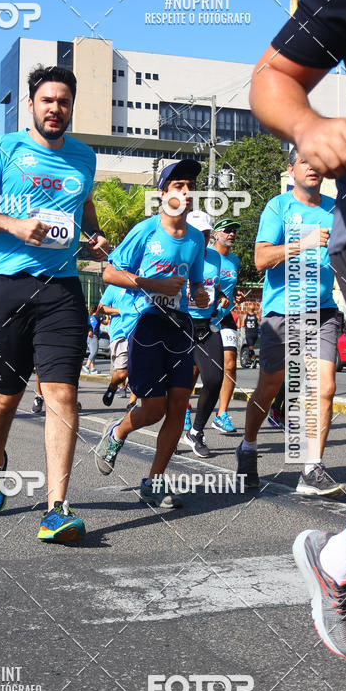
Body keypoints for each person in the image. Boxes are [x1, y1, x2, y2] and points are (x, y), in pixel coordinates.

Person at [249, 0, 346, 657]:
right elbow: (273, 77)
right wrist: (309, 125)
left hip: (328, 293)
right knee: (294, 383)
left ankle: (336, 554)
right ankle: (277, 453)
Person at [0, 63, 108, 542]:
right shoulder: (5, 149)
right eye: (47, 101)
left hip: (61, 290)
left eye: (63, 101)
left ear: (71, 107)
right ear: (32, 106)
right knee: (5, 393)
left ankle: (56, 507)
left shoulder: (84, 157)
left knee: (61, 392)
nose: (55, 108)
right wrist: (12, 224)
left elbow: (83, 210)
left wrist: (93, 237)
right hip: (8, 285)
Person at [94, 160, 208, 507]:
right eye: (179, 185)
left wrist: (199, 293)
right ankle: (117, 432)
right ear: (163, 193)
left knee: (177, 407)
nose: (186, 192)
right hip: (146, 324)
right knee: (154, 409)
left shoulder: (195, 241)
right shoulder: (145, 231)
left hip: (180, 326)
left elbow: (197, 282)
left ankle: (154, 481)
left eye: (190, 186)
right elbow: (110, 274)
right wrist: (152, 283)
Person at [235, 148, 344, 498]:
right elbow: (261, 257)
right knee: (269, 387)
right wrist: (304, 242)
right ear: (292, 168)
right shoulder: (278, 207)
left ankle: (312, 469)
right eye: (305, 161)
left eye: (319, 161)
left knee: (324, 387)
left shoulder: (335, 209)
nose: (313, 167)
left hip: (323, 312)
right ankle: (248, 446)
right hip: (282, 313)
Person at [182, 211, 229, 458]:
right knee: (175, 386)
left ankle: (196, 432)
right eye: (198, 232)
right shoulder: (178, 255)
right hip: (179, 324)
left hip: (205, 327)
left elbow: (215, 286)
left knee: (214, 379)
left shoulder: (214, 258)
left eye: (206, 233)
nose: (202, 237)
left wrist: (221, 297)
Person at [210, 219, 241, 434]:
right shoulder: (206, 256)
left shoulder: (235, 260)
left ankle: (221, 414)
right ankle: (184, 408)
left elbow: (231, 285)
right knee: (195, 368)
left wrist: (235, 293)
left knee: (230, 364)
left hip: (225, 317)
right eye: (228, 230)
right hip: (204, 316)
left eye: (234, 231)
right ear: (215, 234)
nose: (232, 234)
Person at [99, 284, 136, 410]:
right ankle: (113, 386)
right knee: (121, 373)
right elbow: (101, 308)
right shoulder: (113, 287)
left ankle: (132, 403)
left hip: (139, 332)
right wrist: (120, 310)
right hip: (120, 334)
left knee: (137, 368)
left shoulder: (142, 284)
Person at [84, 304, 101, 375]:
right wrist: (106, 316)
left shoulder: (90, 317)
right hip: (94, 336)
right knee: (94, 352)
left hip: (88, 336)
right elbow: (105, 322)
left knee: (92, 352)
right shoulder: (97, 317)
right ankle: (87, 366)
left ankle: (93, 369)